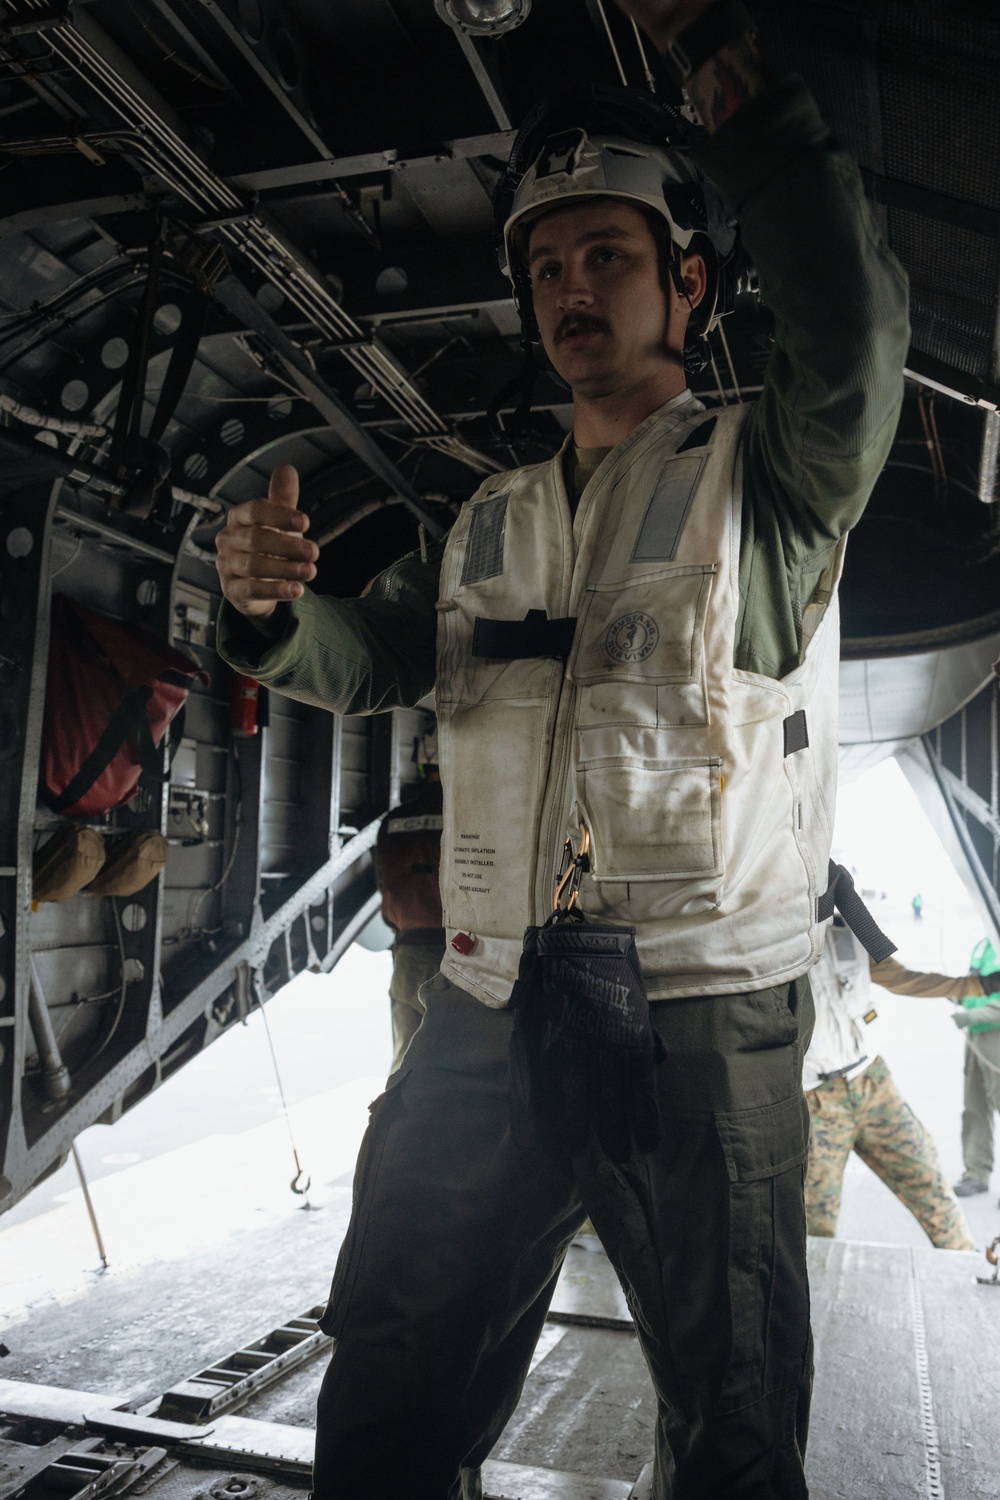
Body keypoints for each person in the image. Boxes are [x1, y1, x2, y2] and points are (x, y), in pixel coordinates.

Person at [215, 1, 909, 1492]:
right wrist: (270, 616)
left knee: (729, 1421)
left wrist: (727, 73)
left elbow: (851, 317)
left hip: (703, 1017)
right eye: (545, 267)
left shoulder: (772, 482)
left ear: (691, 283)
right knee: (394, 1361)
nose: (569, 288)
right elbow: (369, 654)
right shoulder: (488, 521)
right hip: (486, 999)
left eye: (607, 256)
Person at [805, 917, 982, 1250]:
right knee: (813, 1219)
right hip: (814, 1100)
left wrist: (977, 986)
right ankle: (809, 1295)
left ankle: (967, 1267)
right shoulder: (771, 939)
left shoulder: (847, 931)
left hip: (872, 1083)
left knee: (928, 1181)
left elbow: (903, 979)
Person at [373, 730, 446, 1075]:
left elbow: (385, 883)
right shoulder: (471, 816)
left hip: (409, 959)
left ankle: (393, 1126)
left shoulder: (393, 822)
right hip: (461, 955)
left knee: (404, 1064)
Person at [952, 937, 1000, 1199]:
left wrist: (971, 1015)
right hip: (976, 1038)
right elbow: (973, 982)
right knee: (975, 1108)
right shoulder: (985, 942)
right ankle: (976, 1173)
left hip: (995, 1033)